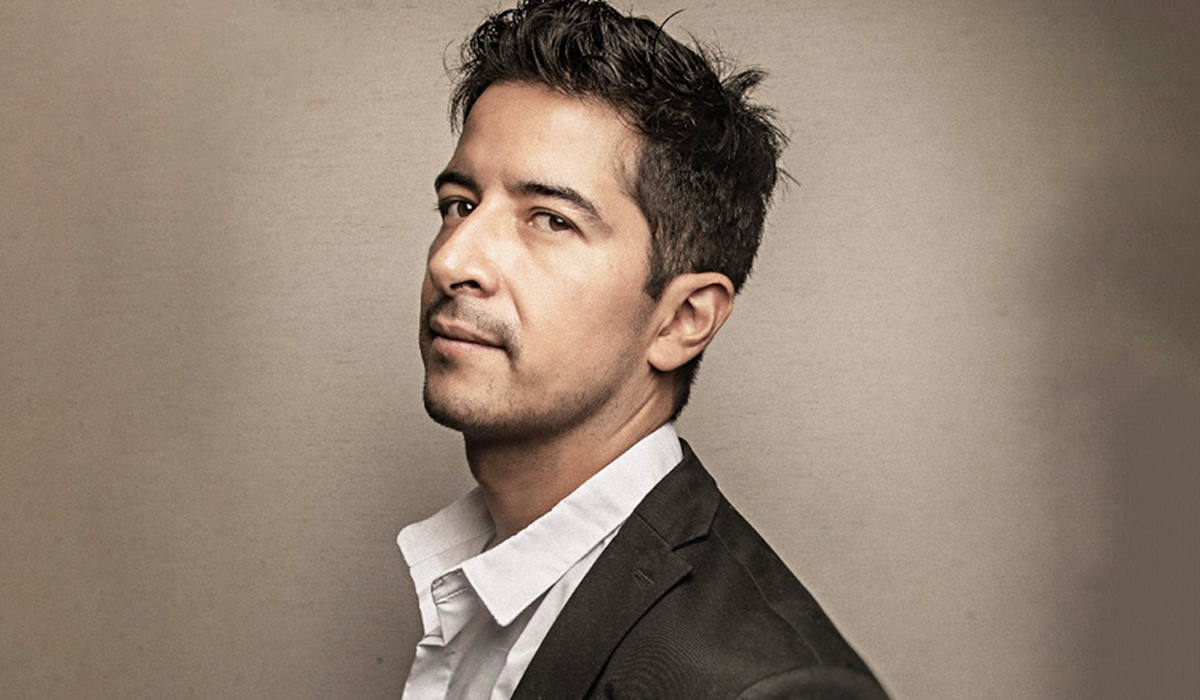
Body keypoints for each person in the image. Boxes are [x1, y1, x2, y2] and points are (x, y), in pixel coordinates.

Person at [398, 1, 889, 698]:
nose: (452, 260)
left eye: (551, 220)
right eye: (460, 204)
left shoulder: (770, 687)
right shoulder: (484, 574)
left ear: (682, 319)